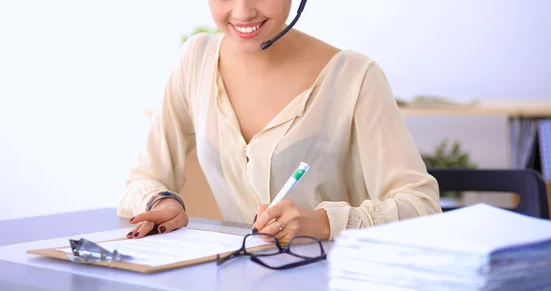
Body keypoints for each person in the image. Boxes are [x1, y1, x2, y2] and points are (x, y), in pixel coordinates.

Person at [117, 0, 441, 243]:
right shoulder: (196, 59)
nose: (242, 12)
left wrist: (325, 222)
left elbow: (422, 207)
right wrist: (162, 203)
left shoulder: (355, 78)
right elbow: (142, 178)